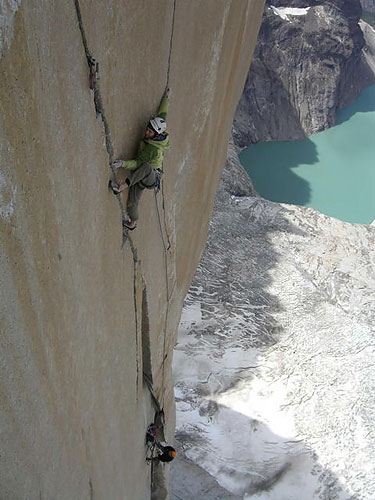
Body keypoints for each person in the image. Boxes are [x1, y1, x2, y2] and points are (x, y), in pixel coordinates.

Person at [109, 88, 170, 230]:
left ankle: (122, 186)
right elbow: (162, 114)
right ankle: (133, 223)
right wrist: (166, 98)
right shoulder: (159, 132)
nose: (146, 132)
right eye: (147, 129)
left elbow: (138, 163)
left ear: (156, 135)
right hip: (142, 175)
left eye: (149, 132)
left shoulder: (152, 149)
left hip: (151, 176)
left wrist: (122, 164)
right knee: (132, 203)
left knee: (146, 167)